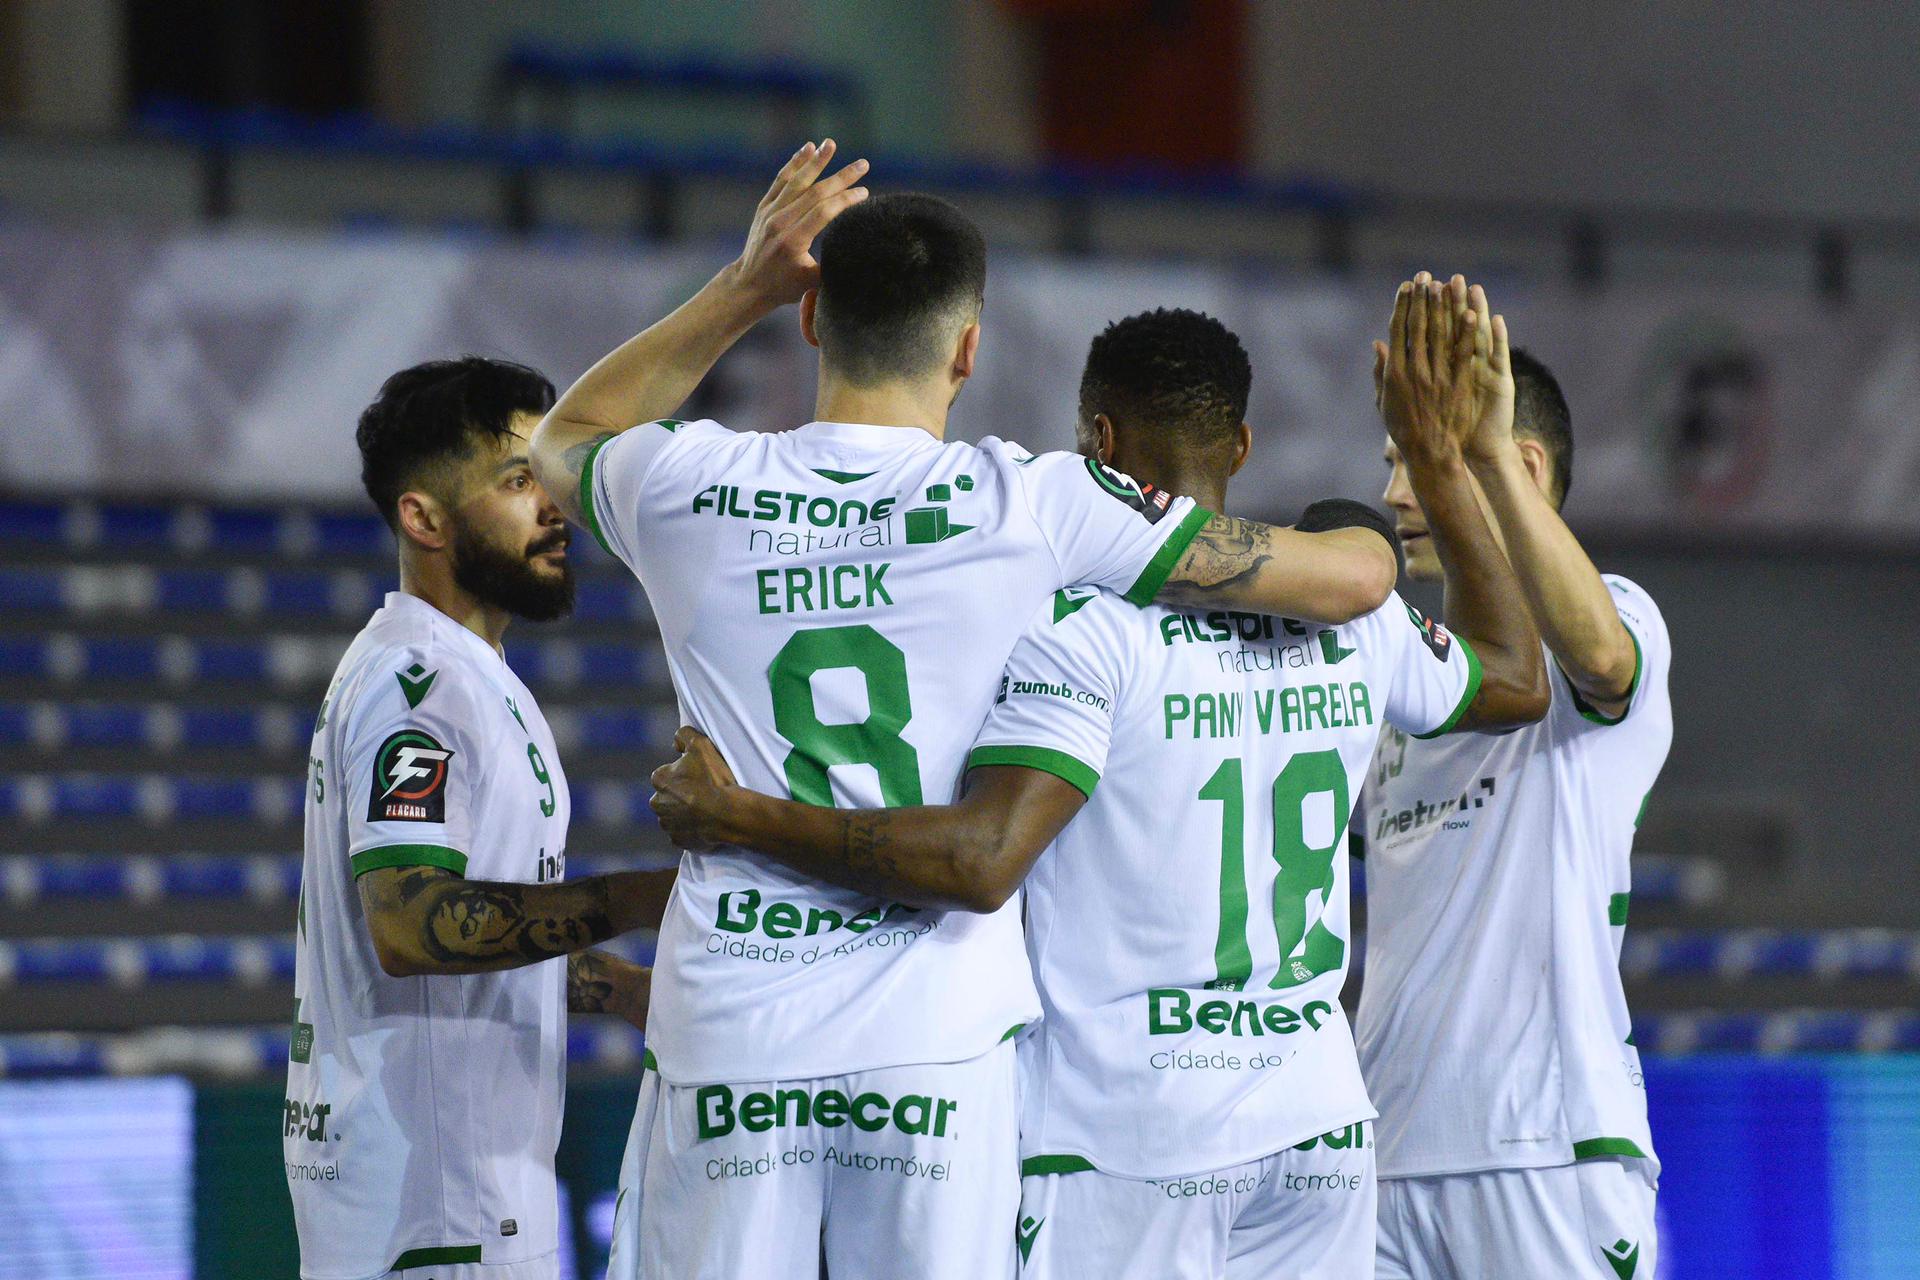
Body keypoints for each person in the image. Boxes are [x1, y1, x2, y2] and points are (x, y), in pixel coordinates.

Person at [526, 141, 1400, 1279]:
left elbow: (562, 443)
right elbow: (1351, 582)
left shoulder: (688, 484)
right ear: (970, 348)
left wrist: (745, 280)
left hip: (735, 1022)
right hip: (937, 1042)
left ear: (810, 323)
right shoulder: (1039, 501)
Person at [647, 291, 1547, 1278]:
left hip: (1131, 1130)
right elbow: (1516, 677)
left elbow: (984, 855)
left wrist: (738, 814)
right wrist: (1447, 460)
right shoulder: (1354, 616)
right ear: (1240, 444)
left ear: (1099, 441)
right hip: (1317, 1121)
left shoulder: (1083, 627)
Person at [285, 357, 671, 1280]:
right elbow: (413, 925)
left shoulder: (461, 672)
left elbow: (478, 938)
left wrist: (625, 992)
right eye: (515, 481)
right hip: (438, 1208)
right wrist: (653, 895)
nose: (554, 507)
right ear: (423, 518)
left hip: (451, 1196)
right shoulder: (421, 688)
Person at [1358, 278, 1674, 1280]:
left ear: (1523, 462)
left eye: (1415, 458)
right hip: (1383, 1157)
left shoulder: (1617, 614)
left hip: (1546, 1150)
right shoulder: (1403, 666)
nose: (1397, 493)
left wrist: (1476, 454)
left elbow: (1599, 661)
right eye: (1391, 462)